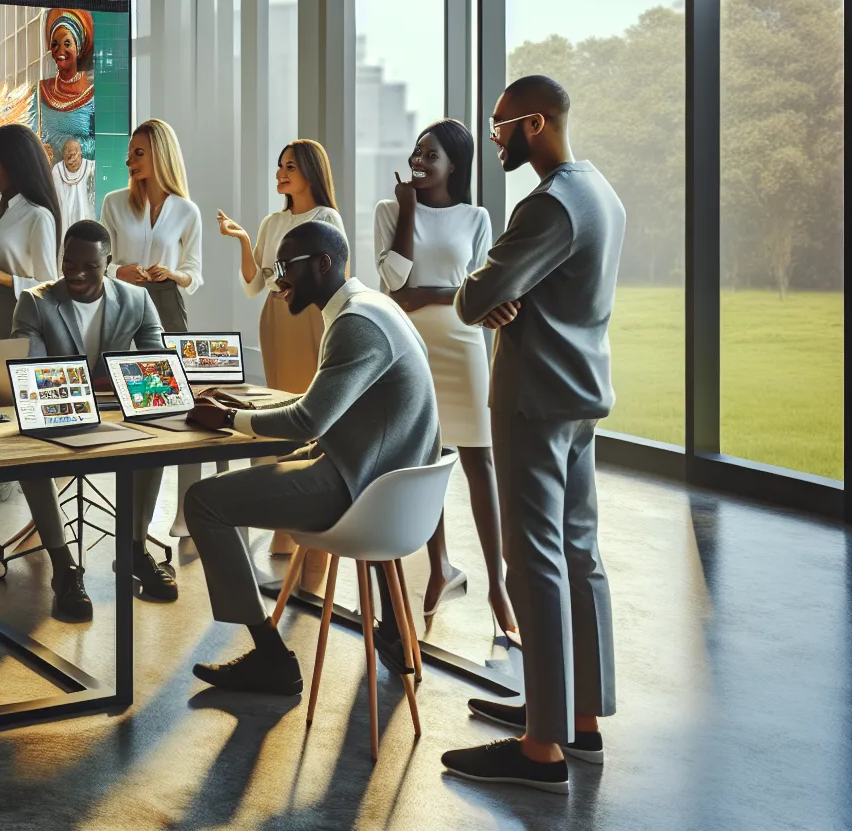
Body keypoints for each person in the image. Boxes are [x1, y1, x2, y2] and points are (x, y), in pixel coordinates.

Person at [441, 75, 623, 794]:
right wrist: (506, 294)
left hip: (532, 401)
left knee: (534, 562)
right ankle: (575, 717)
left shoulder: (548, 206)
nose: (493, 136)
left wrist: (490, 296)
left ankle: (540, 748)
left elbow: (473, 296)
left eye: (501, 125)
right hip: (579, 398)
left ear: (536, 123)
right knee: (580, 556)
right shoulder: (598, 190)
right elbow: (520, 290)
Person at [183, 221, 439, 696]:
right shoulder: (375, 307)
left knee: (203, 501)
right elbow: (326, 410)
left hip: (359, 493)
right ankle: (392, 632)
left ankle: (271, 658)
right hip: (391, 490)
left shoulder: (355, 325)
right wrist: (247, 411)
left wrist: (228, 422)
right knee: (251, 477)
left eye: (285, 268)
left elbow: (309, 421)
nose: (278, 280)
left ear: (323, 263)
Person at [374, 118, 519, 640]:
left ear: (454, 165)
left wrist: (429, 295)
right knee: (427, 455)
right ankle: (439, 567)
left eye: (430, 155)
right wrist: (409, 210)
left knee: (480, 460)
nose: (418, 160)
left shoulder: (477, 217)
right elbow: (393, 282)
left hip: (463, 346)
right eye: (416, 151)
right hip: (409, 348)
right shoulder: (390, 210)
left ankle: (499, 587)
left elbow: (476, 295)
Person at [11, 220, 172, 617]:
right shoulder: (36, 302)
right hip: (55, 412)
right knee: (28, 456)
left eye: (90, 266)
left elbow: (154, 370)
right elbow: (31, 372)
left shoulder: (137, 300)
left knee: (158, 442)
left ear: (109, 262)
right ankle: (63, 565)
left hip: (112, 413)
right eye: (69, 263)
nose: (77, 273)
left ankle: (134, 548)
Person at [214, 137, 343, 551]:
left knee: (308, 411)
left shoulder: (327, 219)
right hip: (274, 315)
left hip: (309, 316)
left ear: (310, 171)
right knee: (279, 405)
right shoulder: (272, 223)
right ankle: (281, 528)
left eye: (290, 166)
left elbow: (333, 278)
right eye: (279, 165)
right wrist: (242, 241)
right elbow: (254, 286)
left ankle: (304, 522)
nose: (280, 173)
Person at [99, 118, 206, 533]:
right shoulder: (113, 203)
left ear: (160, 155)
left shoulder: (187, 211)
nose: (129, 160)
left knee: (175, 409)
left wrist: (173, 274)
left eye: (138, 152)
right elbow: (99, 262)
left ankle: (185, 512)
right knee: (132, 411)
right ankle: (135, 523)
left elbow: (195, 273)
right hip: (124, 305)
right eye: (129, 152)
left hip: (168, 306)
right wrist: (116, 271)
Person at [0, 125, 62, 340]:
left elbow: (50, 290)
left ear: (13, 167)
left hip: (18, 319)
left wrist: (0, 277)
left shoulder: (38, 216)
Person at [30, 9, 96, 162]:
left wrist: (72, 147)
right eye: (55, 44)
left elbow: (99, 143)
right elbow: (31, 134)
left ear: (78, 47)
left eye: (67, 43)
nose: (60, 50)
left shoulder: (92, 95)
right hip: (46, 174)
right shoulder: (40, 91)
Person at [51, 137, 95, 228]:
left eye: (75, 153)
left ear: (81, 153)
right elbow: (57, 200)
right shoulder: (57, 170)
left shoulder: (90, 167)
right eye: (69, 153)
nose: (72, 157)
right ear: (63, 155)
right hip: (65, 223)